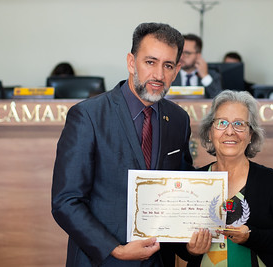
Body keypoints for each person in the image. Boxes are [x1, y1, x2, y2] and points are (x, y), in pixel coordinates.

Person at [51, 22, 210, 267]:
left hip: (159, 261)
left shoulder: (178, 119)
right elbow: (66, 201)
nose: (159, 74)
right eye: (150, 62)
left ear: (177, 69)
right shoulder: (88, 116)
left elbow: (178, 194)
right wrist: (116, 249)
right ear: (131, 62)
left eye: (168, 65)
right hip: (102, 261)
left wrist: (190, 246)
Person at [171, 90, 273, 266]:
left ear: (251, 134)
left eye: (239, 124)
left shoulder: (270, 180)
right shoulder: (193, 181)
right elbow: (176, 241)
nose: (230, 131)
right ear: (210, 132)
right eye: (222, 123)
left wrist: (251, 236)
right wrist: (189, 250)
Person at [171, 34, 222, 98]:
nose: (181, 56)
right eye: (180, 52)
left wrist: (205, 76)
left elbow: (219, 100)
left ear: (198, 55)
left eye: (187, 53)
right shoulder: (170, 73)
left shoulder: (212, 75)